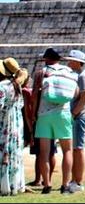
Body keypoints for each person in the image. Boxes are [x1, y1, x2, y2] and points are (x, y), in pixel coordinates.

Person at [31, 48, 77, 194]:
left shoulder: (41, 73)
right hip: (63, 113)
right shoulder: (68, 72)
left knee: (44, 152)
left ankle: (47, 185)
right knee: (67, 150)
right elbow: (75, 93)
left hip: (44, 115)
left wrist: (33, 114)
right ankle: (65, 185)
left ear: (46, 59)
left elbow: (34, 96)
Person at [63, 50, 85, 193]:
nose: (68, 63)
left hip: (80, 116)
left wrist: (73, 114)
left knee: (78, 149)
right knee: (75, 149)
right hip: (78, 116)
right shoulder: (79, 76)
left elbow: (84, 98)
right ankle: (74, 179)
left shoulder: (82, 77)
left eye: (71, 60)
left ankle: (78, 181)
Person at [0, 58, 29, 196]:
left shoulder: (3, 86)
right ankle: (14, 185)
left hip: (4, 123)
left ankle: (3, 186)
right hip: (15, 124)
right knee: (13, 153)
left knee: (3, 151)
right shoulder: (16, 86)